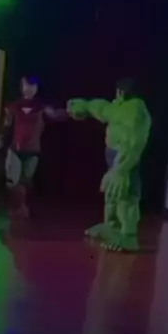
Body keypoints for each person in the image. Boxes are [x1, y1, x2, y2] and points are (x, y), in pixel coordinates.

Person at [67, 78, 151, 252]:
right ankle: (111, 225)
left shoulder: (136, 111)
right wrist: (84, 106)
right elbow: (103, 109)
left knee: (125, 195)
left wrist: (122, 169)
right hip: (113, 156)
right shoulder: (119, 106)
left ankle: (128, 236)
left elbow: (134, 142)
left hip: (124, 159)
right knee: (112, 194)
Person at [0, 75, 64, 218]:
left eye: (32, 86)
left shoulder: (41, 107)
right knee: (12, 182)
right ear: (21, 87)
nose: (28, 89)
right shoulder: (14, 106)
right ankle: (15, 207)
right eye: (26, 85)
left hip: (33, 150)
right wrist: (1, 142)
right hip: (16, 149)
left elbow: (55, 115)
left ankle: (21, 207)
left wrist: (70, 111)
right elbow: (6, 125)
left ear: (36, 89)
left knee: (26, 181)